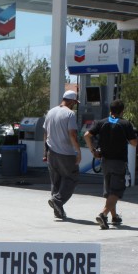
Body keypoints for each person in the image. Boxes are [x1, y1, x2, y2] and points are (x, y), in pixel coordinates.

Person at [84, 99, 138, 230]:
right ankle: (103, 214)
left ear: (110, 110)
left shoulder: (101, 122)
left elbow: (87, 135)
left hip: (105, 161)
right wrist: (136, 137)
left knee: (109, 190)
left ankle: (114, 217)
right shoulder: (125, 124)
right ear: (122, 111)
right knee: (116, 191)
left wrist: (93, 151)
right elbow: (134, 143)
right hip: (119, 162)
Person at [44, 89, 81, 220]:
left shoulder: (50, 112)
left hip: (51, 152)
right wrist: (78, 151)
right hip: (66, 153)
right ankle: (58, 201)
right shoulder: (70, 114)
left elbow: (46, 134)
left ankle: (58, 210)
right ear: (71, 101)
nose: (75, 105)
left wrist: (45, 152)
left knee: (56, 181)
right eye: (75, 102)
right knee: (72, 177)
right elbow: (72, 134)